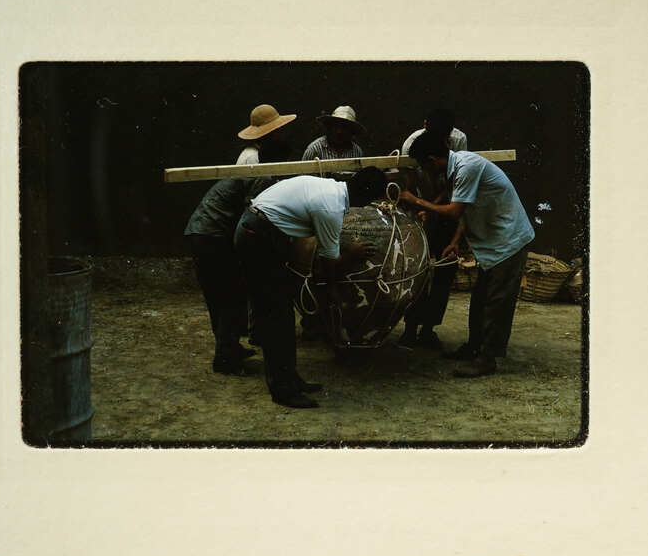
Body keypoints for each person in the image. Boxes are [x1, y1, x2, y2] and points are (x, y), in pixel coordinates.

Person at [234, 168, 388, 408]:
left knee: (283, 312)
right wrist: (341, 275)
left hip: (261, 228)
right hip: (258, 235)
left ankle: (290, 379)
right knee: (276, 315)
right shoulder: (331, 208)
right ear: (365, 196)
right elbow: (328, 263)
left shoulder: (332, 189)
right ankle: (283, 390)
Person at [400, 131, 534, 377]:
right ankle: (474, 348)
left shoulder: (466, 167)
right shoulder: (456, 170)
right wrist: (455, 242)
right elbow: (467, 209)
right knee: (480, 299)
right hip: (494, 241)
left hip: (509, 240)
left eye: (423, 167)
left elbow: (454, 210)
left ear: (431, 161)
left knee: (497, 303)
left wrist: (416, 201)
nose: (425, 172)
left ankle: (487, 359)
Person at [185, 138, 289, 376]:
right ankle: (225, 358)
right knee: (228, 297)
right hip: (211, 234)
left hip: (203, 231)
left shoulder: (256, 171)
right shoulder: (262, 177)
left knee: (224, 296)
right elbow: (253, 215)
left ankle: (229, 348)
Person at [397, 113, 468, 350]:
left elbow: (456, 181)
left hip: (446, 207)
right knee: (416, 270)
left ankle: (428, 329)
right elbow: (408, 182)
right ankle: (409, 328)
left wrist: (431, 207)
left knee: (444, 268)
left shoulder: (459, 140)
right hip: (419, 207)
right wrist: (418, 207)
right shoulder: (411, 144)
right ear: (425, 126)